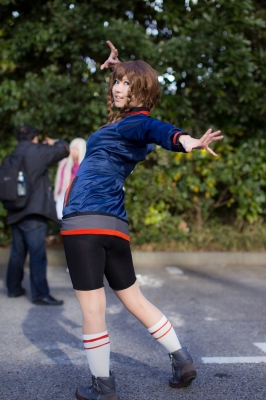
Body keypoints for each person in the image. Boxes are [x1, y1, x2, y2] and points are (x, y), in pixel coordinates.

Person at [61, 41, 223, 400]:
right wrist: (121, 69)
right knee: (133, 298)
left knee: (92, 308)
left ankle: (102, 387)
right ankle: (182, 361)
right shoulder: (125, 127)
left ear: (143, 93)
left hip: (84, 223)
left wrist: (188, 141)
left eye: (127, 85)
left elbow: (160, 131)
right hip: (113, 225)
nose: (118, 88)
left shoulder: (139, 125)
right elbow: (138, 119)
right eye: (117, 83)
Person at [5, 124, 69, 305]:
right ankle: (40, 294)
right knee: (37, 253)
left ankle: (13, 288)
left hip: (15, 210)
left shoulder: (13, 155)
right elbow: (64, 149)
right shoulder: (38, 151)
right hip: (33, 211)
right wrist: (53, 141)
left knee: (17, 252)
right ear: (35, 137)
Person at [54, 138, 87, 220]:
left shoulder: (84, 166)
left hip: (77, 199)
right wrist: (55, 141)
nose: (74, 151)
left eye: (77, 149)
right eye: (73, 148)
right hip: (63, 196)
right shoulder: (64, 163)